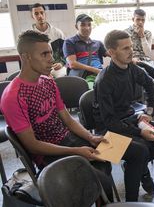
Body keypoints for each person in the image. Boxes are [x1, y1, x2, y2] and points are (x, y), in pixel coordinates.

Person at [0, 30, 113, 201]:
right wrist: (77, 151)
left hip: (67, 139)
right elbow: (32, 146)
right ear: (26, 57)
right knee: (101, 180)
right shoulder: (13, 96)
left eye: (50, 53)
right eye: (44, 54)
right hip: (47, 154)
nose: (51, 59)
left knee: (106, 155)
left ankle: (99, 200)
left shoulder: (48, 81)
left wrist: (90, 137)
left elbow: (67, 118)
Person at [93, 30, 154, 201]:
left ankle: (135, 166)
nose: (131, 51)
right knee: (141, 149)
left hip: (129, 120)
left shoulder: (132, 68)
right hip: (106, 133)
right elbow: (109, 122)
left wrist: (148, 112)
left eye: (131, 47)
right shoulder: (104, 80)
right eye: (125, 48)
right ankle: (132, 201)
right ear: (111, 52)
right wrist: (140, 132)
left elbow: (150, 84)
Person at [63, 14, 108, 88]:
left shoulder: (97, 43)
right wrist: (95, 70)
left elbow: (112, 54)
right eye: (83, 25)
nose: (87, 28)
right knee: (92, 91)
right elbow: (72, 64)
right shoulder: (70, 42)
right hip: (82, 76)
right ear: (76, 27)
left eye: (89, 25)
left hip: (99, 74)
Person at [30, 3, 66, 78]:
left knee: (63, 78)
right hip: (38, 70)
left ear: (45, 14)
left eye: (41, 13)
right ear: (32, 16)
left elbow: (65, 53)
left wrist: (61, 63)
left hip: (56, 68)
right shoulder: (29, 37)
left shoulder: (57, 33)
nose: (40, 16)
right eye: (36, 14)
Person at [125, 9, 154, 79]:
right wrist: (131, 59)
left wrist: (142, 36)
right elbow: (124, 51)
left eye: (143, 20)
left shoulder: (148, 33)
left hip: (147, 61)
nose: (140, 22)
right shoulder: (125, 33)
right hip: (133, 61)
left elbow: (147, 53)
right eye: (138, 19)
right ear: (133, 19)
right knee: (144, 74)